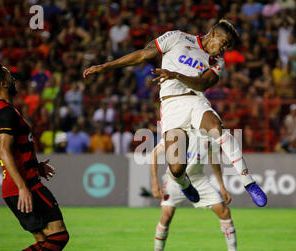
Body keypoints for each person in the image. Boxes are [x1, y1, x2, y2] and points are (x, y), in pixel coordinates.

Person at [83, 19, 267, 207]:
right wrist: (106, 66)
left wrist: (176, 74)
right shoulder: (177, 37)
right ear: (213, 34)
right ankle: (184, 183)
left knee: (217, 129)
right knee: (177, 168)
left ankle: (248, 182)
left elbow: (203, 84)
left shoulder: (218, 61)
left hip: (195, 101)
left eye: (228, 47)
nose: (224, 50)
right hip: (171, 106)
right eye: (224, 43)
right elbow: (143, 55)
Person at [0, 62, 69, 251]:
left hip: (12, 187)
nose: (14, 78)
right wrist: (23, 186)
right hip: (25, 186)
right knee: (59, 237)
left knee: (44, 246)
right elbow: (5, 152)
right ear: (2, 83)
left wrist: (35, 165)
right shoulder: (6, 111)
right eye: (9, 75)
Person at [149, 129, 251, 251]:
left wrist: (222, 186)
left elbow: (214, 160)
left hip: (198, 180)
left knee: (224, 212)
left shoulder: (208, 136)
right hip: (175, 181)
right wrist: (155, 182)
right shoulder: (178, 132)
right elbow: (154, 154)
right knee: (166, 216)